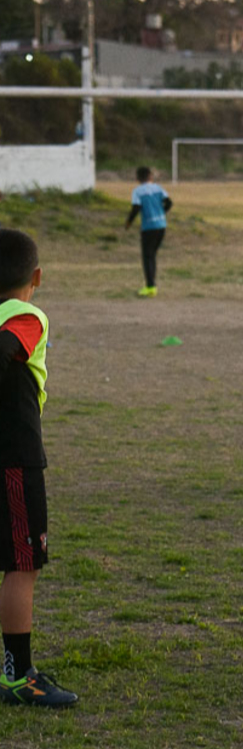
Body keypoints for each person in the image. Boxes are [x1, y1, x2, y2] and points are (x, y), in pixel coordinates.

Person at [0, 229, 78, 707]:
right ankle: (16, 674)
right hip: (14, 460)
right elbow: (9, 345)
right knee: (21, 566)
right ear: (37, 277)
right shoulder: (26, 314)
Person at [125, 166, 171, 298]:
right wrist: (161, 213)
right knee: (152, 255)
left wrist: (128, 222)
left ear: (138, 178)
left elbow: (136, 208)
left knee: (147, 257)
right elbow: (169, 203)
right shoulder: (158, 188)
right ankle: (152, 285)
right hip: (161, 225)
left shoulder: (137, 191)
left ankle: (150, 287)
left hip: (149, 227)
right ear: (151, 176)